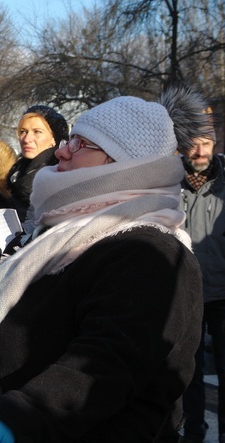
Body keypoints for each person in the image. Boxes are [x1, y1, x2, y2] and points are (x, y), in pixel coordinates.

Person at [0, 87, 208, 442]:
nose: (61, 149)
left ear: (122, 163)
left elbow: (110, 362)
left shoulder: (151, 251)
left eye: (79, 143)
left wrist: (24, 412)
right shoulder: (66, 233)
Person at [179, 114, 224, 443]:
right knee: (188, 374)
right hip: (185, 295)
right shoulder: (167, 184)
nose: (200, 150)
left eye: (206, 143)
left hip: (223, 294)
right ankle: (194, 434)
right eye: (193, 143)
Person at [6, 105, 69, 222]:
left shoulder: (59, 174)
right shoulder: (17, 172)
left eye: (37, 132)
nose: (26, 139)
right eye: (23, 131)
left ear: (54, 139)